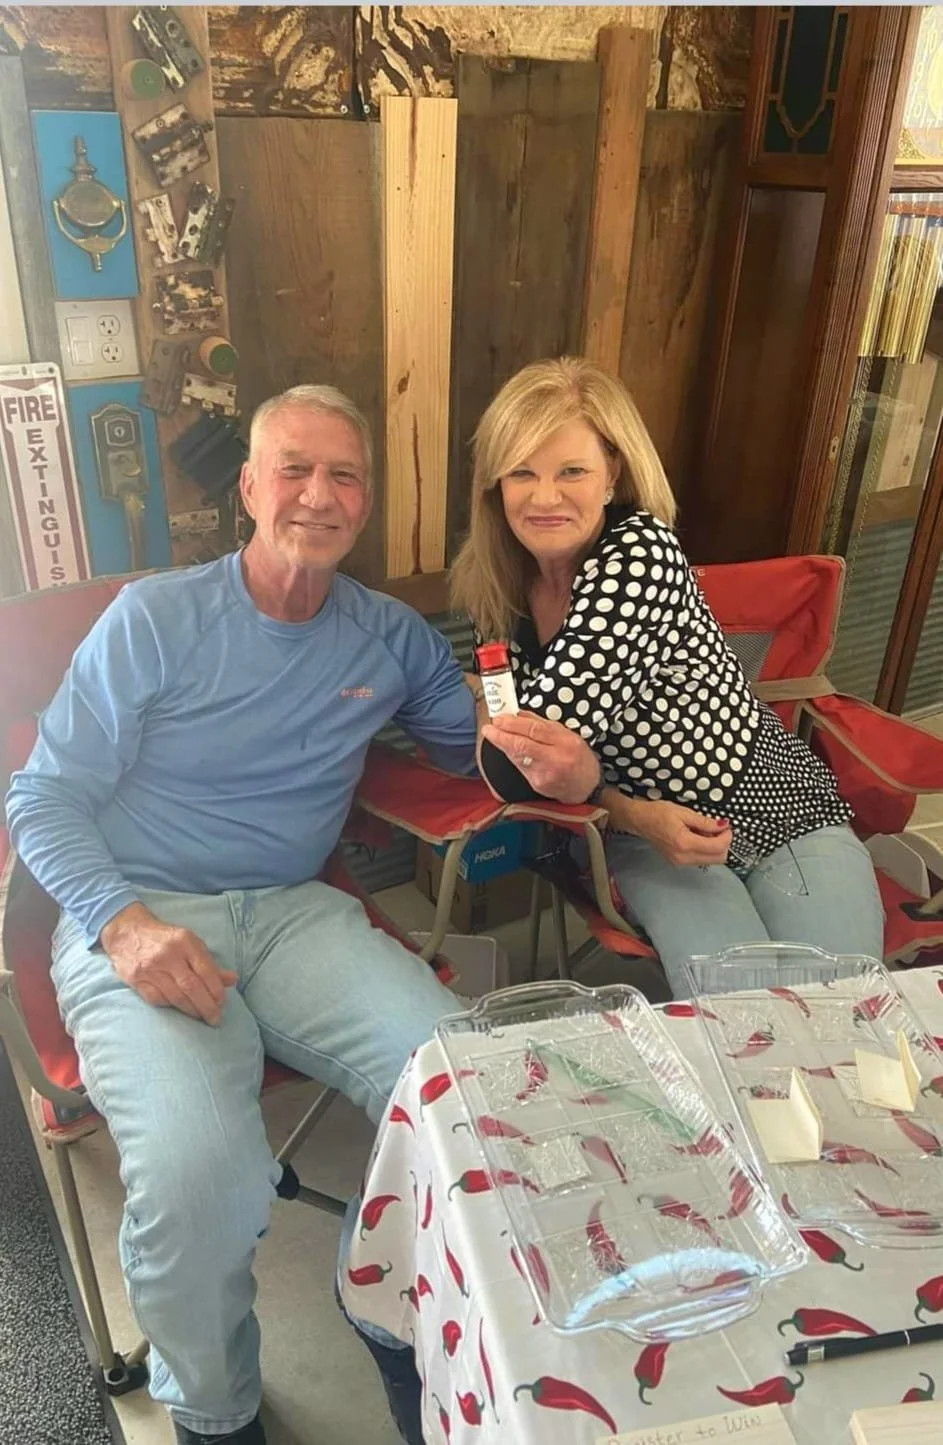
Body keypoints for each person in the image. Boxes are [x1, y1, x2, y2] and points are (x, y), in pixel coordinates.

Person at [5, 385, 478, 1445]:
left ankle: (433, 1330)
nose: (320, 493)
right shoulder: (156, 617)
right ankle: (214, 1415)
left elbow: (470, 743)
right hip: (140, 913)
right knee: (194, 1173)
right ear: (251, 489)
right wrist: (122, 925)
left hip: (294, 910)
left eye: (345, 473)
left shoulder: (389, 635)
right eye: (294, 469)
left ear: (366, 499)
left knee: (461, 1080)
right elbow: (40, 793)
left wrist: (544, 737)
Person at [450, 356, 885, 993]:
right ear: (496, 485)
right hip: (639, 835)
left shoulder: (640, 553)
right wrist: (625, 809)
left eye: (572, 470)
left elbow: (520, 747)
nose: (545, 497)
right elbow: (517, 764)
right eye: (522, 473)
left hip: (774, 799)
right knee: (743, 1018)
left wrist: (540, 749)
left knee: (843, 1003)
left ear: (612, 474)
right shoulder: (497, 589)